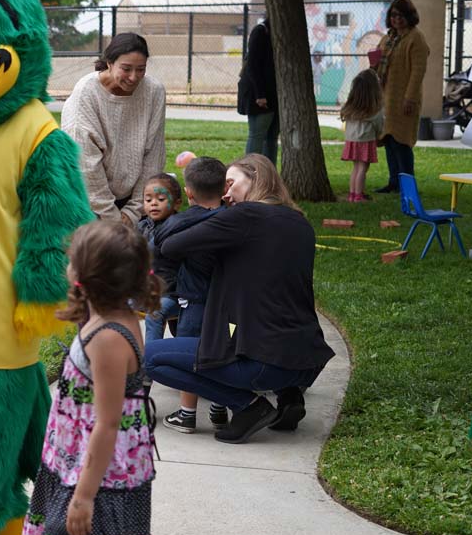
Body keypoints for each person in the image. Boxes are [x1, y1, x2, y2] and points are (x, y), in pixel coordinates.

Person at [20, 221, 159, 535]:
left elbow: (108, 423)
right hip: (82, 464)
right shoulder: (110, 316)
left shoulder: (108, 338)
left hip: (97, 476)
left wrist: (83, 497)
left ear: (87, 277)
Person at [144, 154, 335, 444]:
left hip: (263, 362)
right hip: (306, 360)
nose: (225, 192)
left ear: (255, 178)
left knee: (149, 358)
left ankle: (248, 407)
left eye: (230, 183)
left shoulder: (244, 216)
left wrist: (210, 211)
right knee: (234, 333)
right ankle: (289, 394)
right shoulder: (299, 222)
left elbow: (170, 245)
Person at [62, 31, 167, 225]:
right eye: (126, 69)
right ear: (109, 63)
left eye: (141, 69)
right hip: (86, 199)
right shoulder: (87, 92)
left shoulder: (154, 91)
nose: (134, 77)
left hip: (133, 199)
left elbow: (154, 156)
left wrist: (134, 211)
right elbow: (86, 165)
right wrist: (113, 217)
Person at [155, 156, 227, 434]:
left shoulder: (183, 222)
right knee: (224, 351)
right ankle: (219, 409)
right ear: (224, 188)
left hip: (194, 301)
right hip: (227, 305)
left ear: (188, 193)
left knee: (191, 353)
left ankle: (187, 414)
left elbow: (160, 244)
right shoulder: (234, 218)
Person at [372, 0, 428, 194]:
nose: (397, 19)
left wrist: (410, 98)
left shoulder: (416, 38)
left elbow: (418, 71)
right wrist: (374, 61)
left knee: (401, 142)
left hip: (404, 99)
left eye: (401, 15)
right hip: (387, 98)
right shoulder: (388, 38)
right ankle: (394, 182)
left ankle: (407, 185)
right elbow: (378, 64)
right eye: (393, 15)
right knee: (388, 140)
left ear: (410, 16)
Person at [137, 172, 182, 342]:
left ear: (177, 203)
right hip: (148, 293)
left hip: (173, 293)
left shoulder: (178, 227)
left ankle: (151, 360)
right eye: (148, 200)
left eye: (161, 199)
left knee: (157, 316)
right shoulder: (142, 226)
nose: (153, 203)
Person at [340, 69, 385, 203]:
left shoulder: (351, 107)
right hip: (365, 140)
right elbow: (378, 126)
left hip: (351, 141)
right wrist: (378, 135)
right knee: (362, 169)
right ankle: (359, 196)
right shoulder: (374, 108)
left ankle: (352, 194)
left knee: (356, 168)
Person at [239, 17, 279, 164]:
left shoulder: (275, 34)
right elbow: (252, 66)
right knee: (257, 136)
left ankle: (270, 174)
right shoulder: (261, 31)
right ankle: (250, 172)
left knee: (272, 138)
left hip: (274, 94)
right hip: (259, 94)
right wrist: (260, 95)